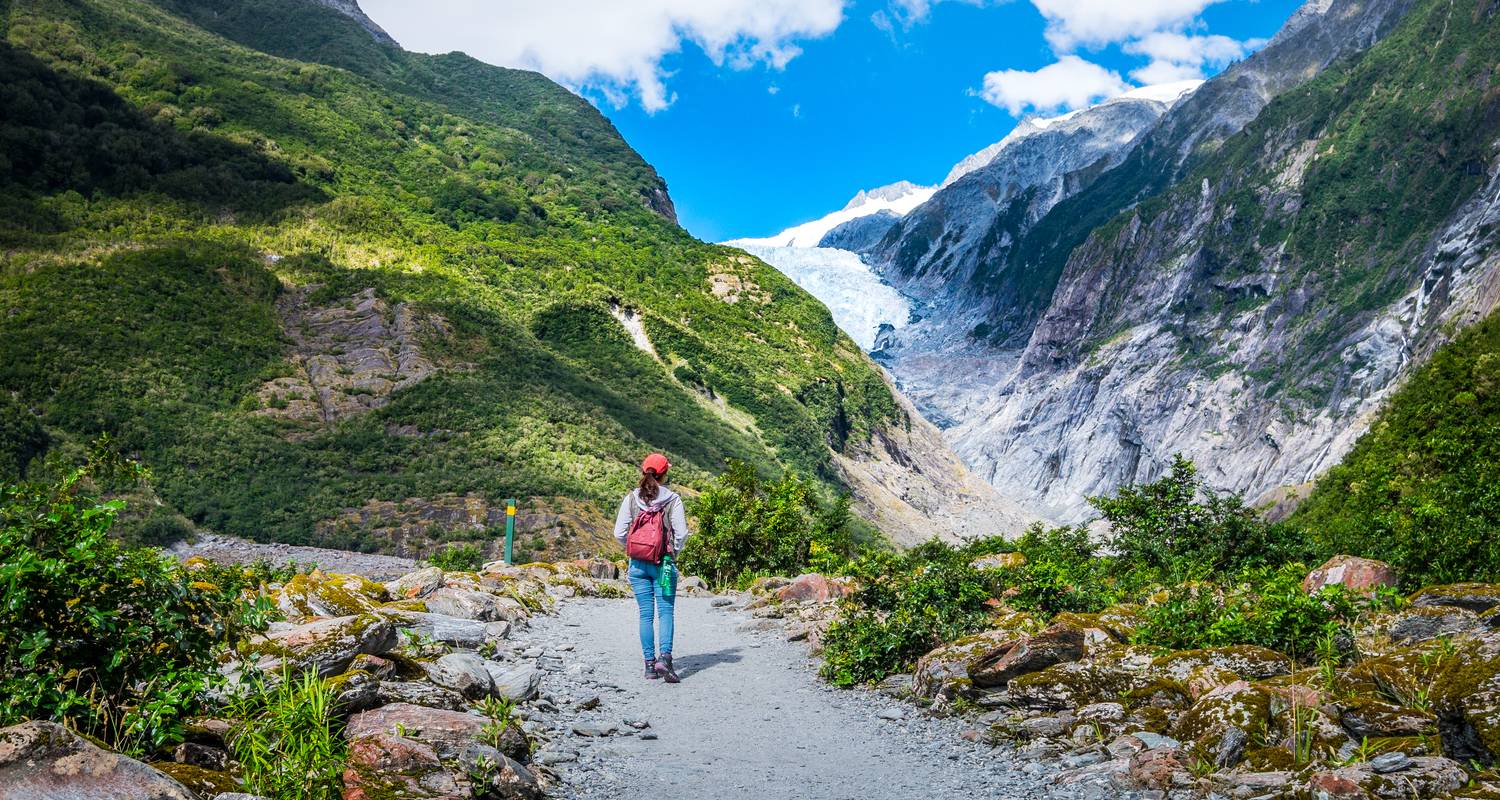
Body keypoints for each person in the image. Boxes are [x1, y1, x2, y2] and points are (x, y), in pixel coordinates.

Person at [613, 452, 689, 683]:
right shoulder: (672, 499)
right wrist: (672, 552)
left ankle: (649, 666)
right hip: (664, 564)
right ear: (665, 474)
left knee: (645, 615)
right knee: (665, 612)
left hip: (637, 565)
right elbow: (682, 533)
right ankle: (664, 659)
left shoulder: (631, 498)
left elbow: (618, 533)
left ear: (643, 472)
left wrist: (635, 548)